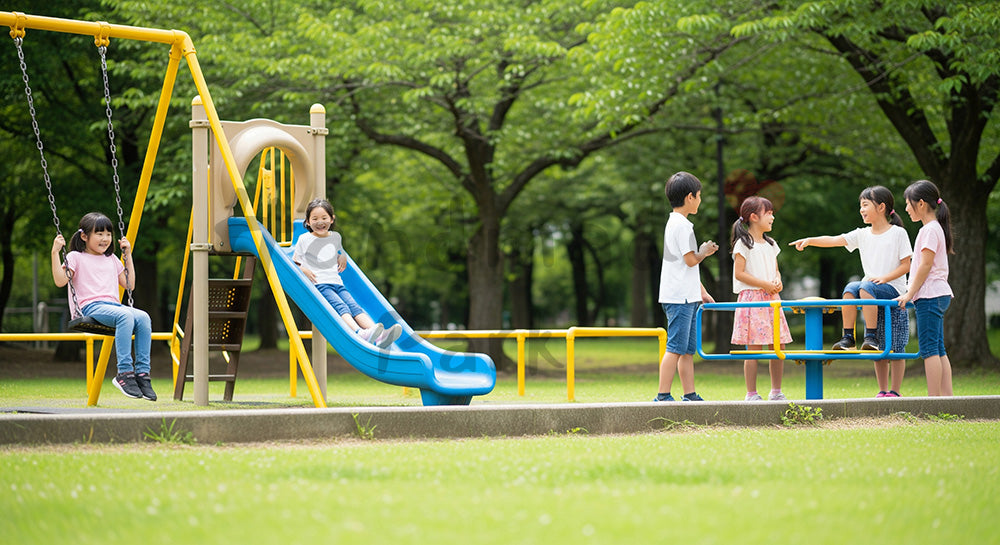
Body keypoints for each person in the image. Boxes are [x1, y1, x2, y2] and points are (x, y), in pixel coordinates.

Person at [789, 186, 912, 397]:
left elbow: (906, 265)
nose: (861, 210)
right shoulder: (862, 234)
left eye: (865, 205)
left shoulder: (898, 233)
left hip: (893, 289)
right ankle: (849, 339)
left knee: (896, 350)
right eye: (860, 206)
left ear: (881, 207)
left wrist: (885, 277)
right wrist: (810, 241)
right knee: (850, 288)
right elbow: (835, 239)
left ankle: (874, 345)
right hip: (870, 289)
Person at [51, 212, 156, 401]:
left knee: (144, 317)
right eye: (99, 234)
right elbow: (60, 280)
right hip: (89, 307)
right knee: (126, 316)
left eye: (108, 234)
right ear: (84, 236)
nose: (105, 238)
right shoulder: (75, 257)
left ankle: (142, 374)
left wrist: (128, 255)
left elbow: (130, 284)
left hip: (112, 306)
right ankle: (124, 373)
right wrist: (55, 252)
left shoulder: (112, 259)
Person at [292, 198, 401, 349]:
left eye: (324, 218)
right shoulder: (304, 239)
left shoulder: (336, 237)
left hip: (337, 283)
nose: (319, 222)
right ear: (308, 222)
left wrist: (341, 255)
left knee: (354, 307)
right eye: (315, 218)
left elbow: (337, 250)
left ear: (332, 219)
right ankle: (358, 332)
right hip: (320, 284)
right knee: (341, 306)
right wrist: (304, 270)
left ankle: (378, 335)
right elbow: (295, 261)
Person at [654, 172, 718, 402]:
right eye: (699, 196)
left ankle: (689, 394)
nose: (700, 200)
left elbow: (684, 266)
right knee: (675, 348)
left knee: (687, 350)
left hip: (686, 296)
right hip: (679, 298)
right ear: (690, 197)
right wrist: (706, 251)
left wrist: (701, 291)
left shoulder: (676, 223)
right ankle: (662, 395)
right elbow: (692, 260)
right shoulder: (682, 226)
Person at [895, 180, 954, 396]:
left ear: (920, 204)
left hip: (930, 295)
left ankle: (934, 401)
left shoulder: (929, 230)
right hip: (937, 294)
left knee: (929, 350)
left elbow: (925, 265)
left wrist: (910, 292)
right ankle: (946, 400)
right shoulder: (934, 228)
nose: (906, 208)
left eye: (908, 204)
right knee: (938, 349)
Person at [730, 196, 791, 401]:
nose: (773, 217)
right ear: (754, 217)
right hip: (753, 299)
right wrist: (763, 284)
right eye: (769, 213)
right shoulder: (743, 243)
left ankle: (776, 391)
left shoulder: (771, 243)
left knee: (778, 346)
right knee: (753, 347)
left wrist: (777, 281)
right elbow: (739, 273)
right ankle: (751, 393)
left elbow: (776, 270)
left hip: (772, 297)